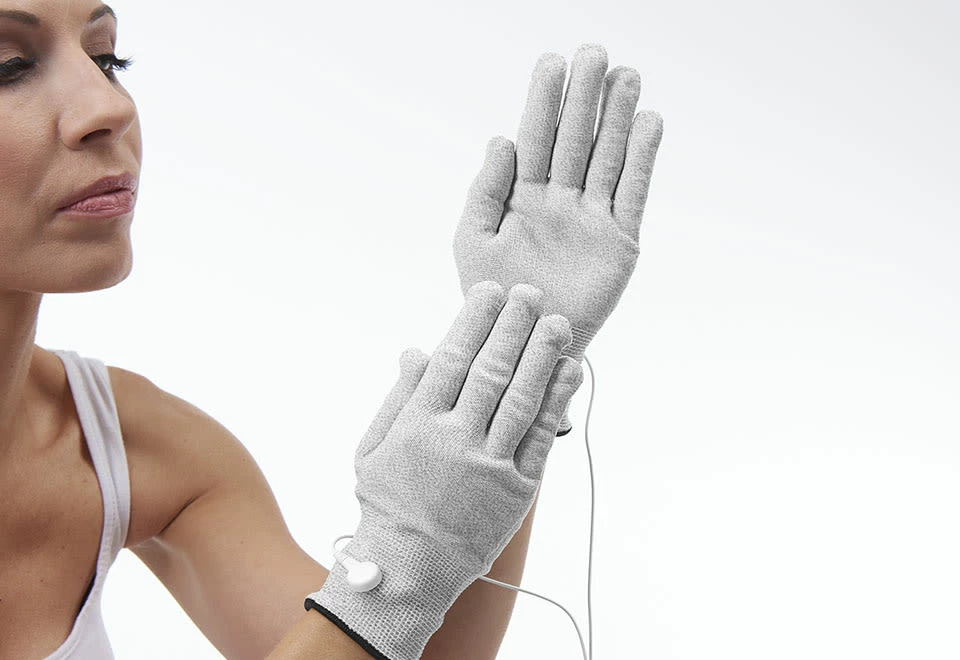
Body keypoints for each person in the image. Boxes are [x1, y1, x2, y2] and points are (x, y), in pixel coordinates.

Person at [0, 2, 663, 659]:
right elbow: (368, 625)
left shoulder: (129, 443)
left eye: (106, 59)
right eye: (8, 66)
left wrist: (521, 342)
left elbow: (400, 648)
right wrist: (392, 577)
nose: (109, 106)